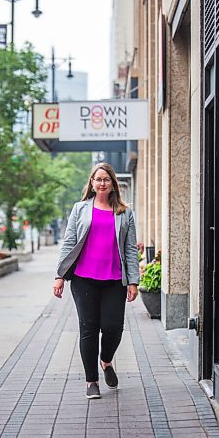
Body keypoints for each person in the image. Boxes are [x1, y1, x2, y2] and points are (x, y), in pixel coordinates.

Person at [53, 162, 139, 399]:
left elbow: (130, 249)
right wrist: (59, 276)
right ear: (91, 183)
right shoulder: (80, 209)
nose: (102, 183)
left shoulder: (124, 212)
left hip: (114, 280)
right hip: (83, 280)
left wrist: (133, 281)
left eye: (106, 179)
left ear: (113, 184)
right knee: (88, 330)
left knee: (113, 328)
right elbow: (69, 242)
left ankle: (106, 360)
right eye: (97, 179)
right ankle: (92, 381)